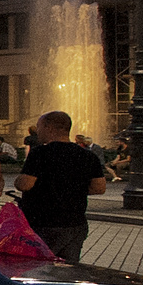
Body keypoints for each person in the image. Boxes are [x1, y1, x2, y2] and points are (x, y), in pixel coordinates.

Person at [14, 110, 109, 263]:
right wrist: (72, 189)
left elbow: (25, 184)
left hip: (43, 223)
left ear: (49, 128)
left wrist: (19, 181)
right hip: (75, 223)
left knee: (38, 267)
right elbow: (99, 187)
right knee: (68, 270)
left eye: (40, 127)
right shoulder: (87, 155)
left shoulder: (40, 153)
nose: (38, 131)